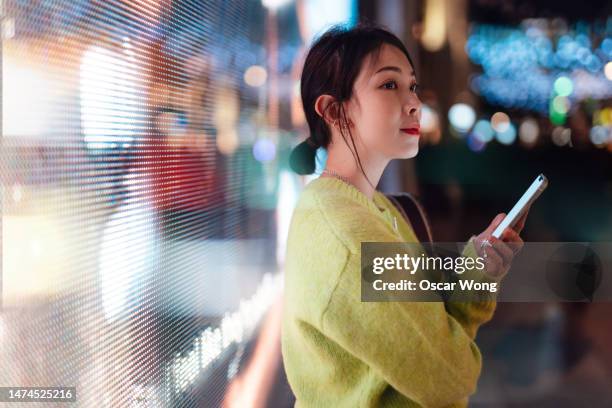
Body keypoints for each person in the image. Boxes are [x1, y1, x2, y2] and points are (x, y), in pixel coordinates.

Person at [281, 23, 527, 407]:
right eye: (388, 85)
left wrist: (478, 270)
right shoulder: (347, 233)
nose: (414, 102)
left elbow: (433, 335)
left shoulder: (372, 208)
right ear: (333, 110)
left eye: (412, 86)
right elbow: (450, 376)